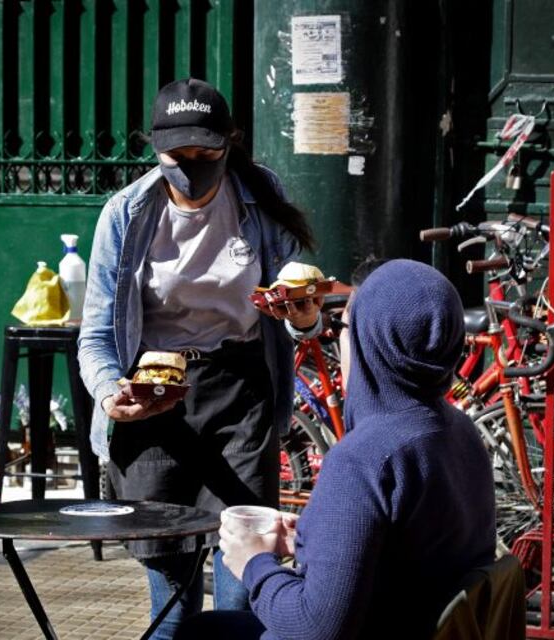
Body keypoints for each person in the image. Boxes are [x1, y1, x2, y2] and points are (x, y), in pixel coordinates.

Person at [77, 77, 322, 639]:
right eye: (176, 156)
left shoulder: (259, 199)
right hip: (153, 398)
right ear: (154, 149)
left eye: (206, 154)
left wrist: (303, 315)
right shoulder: (126, 214)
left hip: (240, 391)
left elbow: (296, 307)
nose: (191, 168)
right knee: (173, 596)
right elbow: (94, 336)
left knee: (244, 581)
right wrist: (110, 392)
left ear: (229, 144)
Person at [188, 259, 497, 639]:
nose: (340, 340)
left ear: (374, 342)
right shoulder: (459, 431)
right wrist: (315, 537)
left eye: (346, 328)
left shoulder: (363, 461)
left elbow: (314, 629)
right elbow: (406, 551)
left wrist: (254, 563)